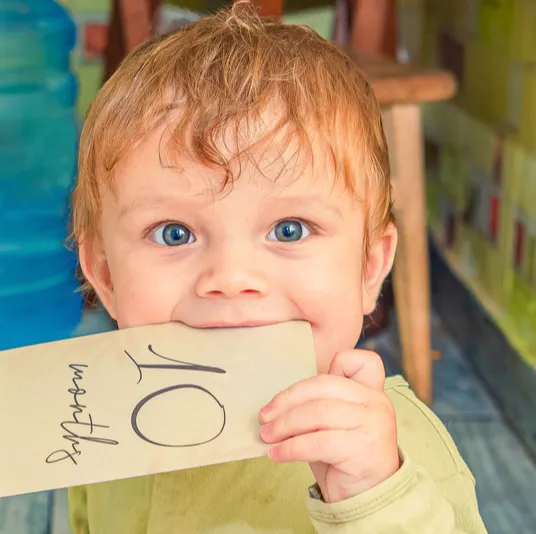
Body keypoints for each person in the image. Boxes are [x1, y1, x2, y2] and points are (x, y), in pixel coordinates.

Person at [67, 4, 486, 533]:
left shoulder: (398, 456)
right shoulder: (94, 422)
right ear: (104, 276)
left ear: (369, 267)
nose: (231, 277)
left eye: (289, 229)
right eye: (175, 233)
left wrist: (374, 500)